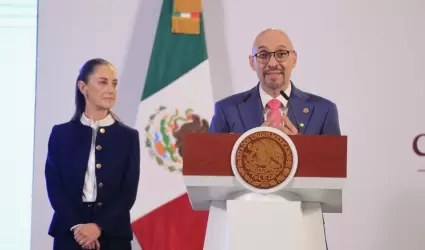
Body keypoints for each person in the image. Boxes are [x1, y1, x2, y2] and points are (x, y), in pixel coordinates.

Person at [45, 58, 140, 250]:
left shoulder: (128, 137)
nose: (111, 89)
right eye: (103, 82)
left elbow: (128, 191)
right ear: (83, 87)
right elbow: (55, 187)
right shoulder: (61, 134)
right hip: (70, 235)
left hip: (113, 236)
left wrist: (98, 226)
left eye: (114, 83)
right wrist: (78, 227)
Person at [209, 28, 341, 135]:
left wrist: (300, 148)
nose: (272, 63)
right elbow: (210, 165)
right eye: (263, 55)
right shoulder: (226, 110)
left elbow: (333, 165)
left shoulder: (324, 110)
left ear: (294, 60)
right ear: (252, 62)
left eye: (281, 54)